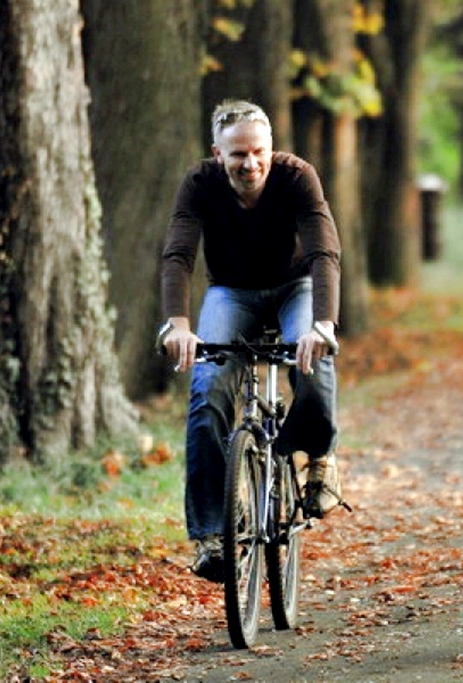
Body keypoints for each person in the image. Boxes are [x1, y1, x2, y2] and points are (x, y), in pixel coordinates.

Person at [158, 99, 344, 582]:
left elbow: (324, 252)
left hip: (295, 287)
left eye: (258, 151)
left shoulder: (297, 177)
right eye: (237, 154)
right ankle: (211, 534)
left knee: (312, 360)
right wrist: (177, 323)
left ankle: (319, 457)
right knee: (208, 389)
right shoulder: (200, 184)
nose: (250, 163)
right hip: (231, 293)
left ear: (271, 148)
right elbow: (178, 254)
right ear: (217, 153)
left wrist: (323, 323)